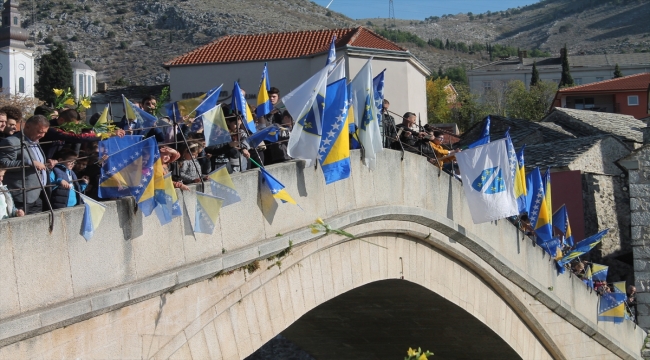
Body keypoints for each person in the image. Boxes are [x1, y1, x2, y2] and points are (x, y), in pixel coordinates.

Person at [0, 115, 57, 214]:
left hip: (38, 194)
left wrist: (47, 164)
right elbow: (4, 164)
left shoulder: (35, 141)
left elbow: (37, 162)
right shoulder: (12, 142)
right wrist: (29, 163)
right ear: (27, 127)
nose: (42, 135)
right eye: (39, 132)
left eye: (44, 132)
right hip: (21, 196)